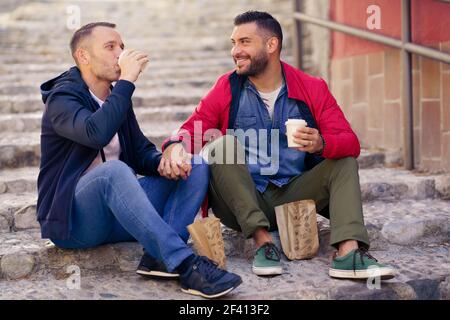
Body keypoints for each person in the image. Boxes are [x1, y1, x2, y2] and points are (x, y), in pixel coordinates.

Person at [161, 11, 396, 280]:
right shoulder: (228, 86)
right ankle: (263, 243)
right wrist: (175, 143)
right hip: (239, 201)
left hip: (292, 196)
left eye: (245, 42)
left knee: (344, 161)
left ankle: (348, 254)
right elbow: (196, 124)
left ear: (271, 45)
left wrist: (322, 143)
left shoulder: (312, 88)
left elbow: (350, 142)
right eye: (233, 42)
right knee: (221, 145)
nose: (235, 51)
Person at [37, 22, 241, 299]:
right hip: (75, 222)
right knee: (114, 171)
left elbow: (139, 152)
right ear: (83, 56)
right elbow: (95, 134)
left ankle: (158, 258)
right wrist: (126, 83)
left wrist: (165, 160)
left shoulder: (116, 96)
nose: (121, 54)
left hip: (121, 216)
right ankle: (184, 263)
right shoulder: (62, 98)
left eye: (121, 46)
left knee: (196, 165)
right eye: (110, 47)